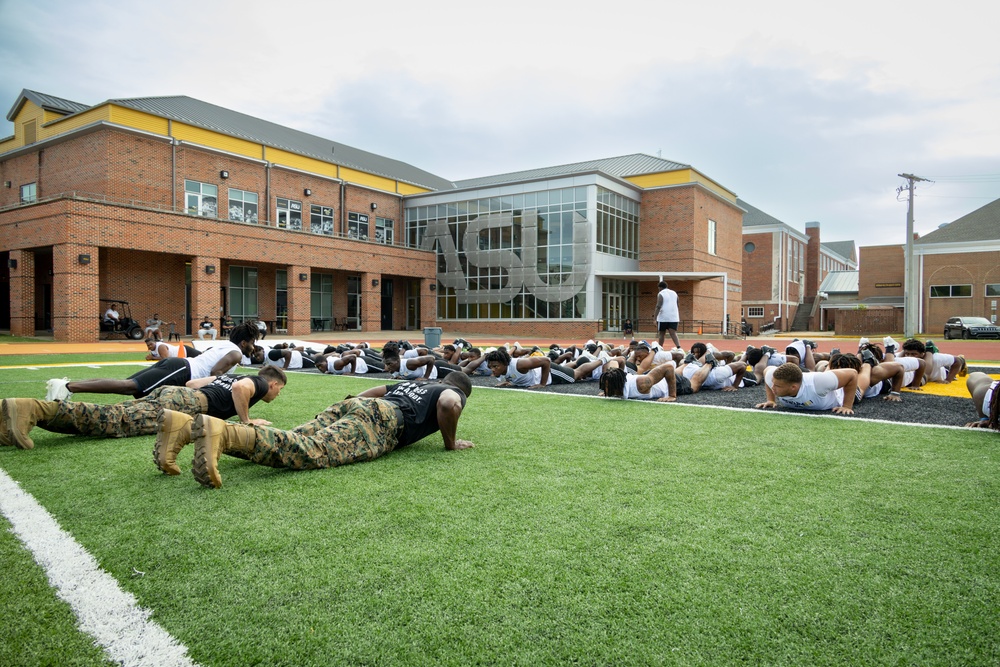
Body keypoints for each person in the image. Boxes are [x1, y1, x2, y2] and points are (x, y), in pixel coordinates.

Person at [185, 372, 475, 489]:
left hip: (358, 405)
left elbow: (376, 390)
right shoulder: (453, 391)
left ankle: (187, 428)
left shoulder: (419, 383)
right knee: (313, 451)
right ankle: (222, 433)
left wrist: (354, 405)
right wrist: (450, 443)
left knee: (297, 436)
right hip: (383, 418)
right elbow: (449, 405)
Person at [1, 367, 286, 456]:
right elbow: (241, 391)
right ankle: (31, 409)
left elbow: (193, 382)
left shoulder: (233, 375)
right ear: (273, 383)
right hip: (186, 404)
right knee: (115, 420)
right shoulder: (259, 382)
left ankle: (12, 421)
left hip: (180, 393)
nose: (276, 394)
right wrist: (246, 420)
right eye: (279, 390)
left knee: (114, 412)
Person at [45, 322, 259, 400]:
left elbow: (201, 356)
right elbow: (216, 371)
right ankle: (67, 386)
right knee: (129, 387)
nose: (253, 347)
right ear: (243, 342)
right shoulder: (236, 353)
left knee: (126, 384)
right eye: (252, 342)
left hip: (178, 367)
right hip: (182, 371)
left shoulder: (224, 345)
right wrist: (231, 385)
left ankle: (67, 386)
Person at [756, 362, 858, 415]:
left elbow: (852, 374)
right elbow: (767, 370)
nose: (772, 387)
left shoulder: (817, 384)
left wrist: (846, 406)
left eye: (777, 386)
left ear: (793, 387)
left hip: (840, 392)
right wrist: (770, 400)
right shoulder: (773, 377)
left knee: (863, 387)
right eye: (773, 383)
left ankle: (867, 364)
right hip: (823, 384)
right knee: (824, 368)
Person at [653, 281, 681, 350]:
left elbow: (658, 306)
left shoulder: (661, 294)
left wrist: (654, 318)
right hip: (674, 317)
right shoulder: (674, 293)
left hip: (663, 317)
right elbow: (677, 304)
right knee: (673, 333)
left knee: (662, 333)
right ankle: (679, 347)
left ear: (659, 287)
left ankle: (660, 348)